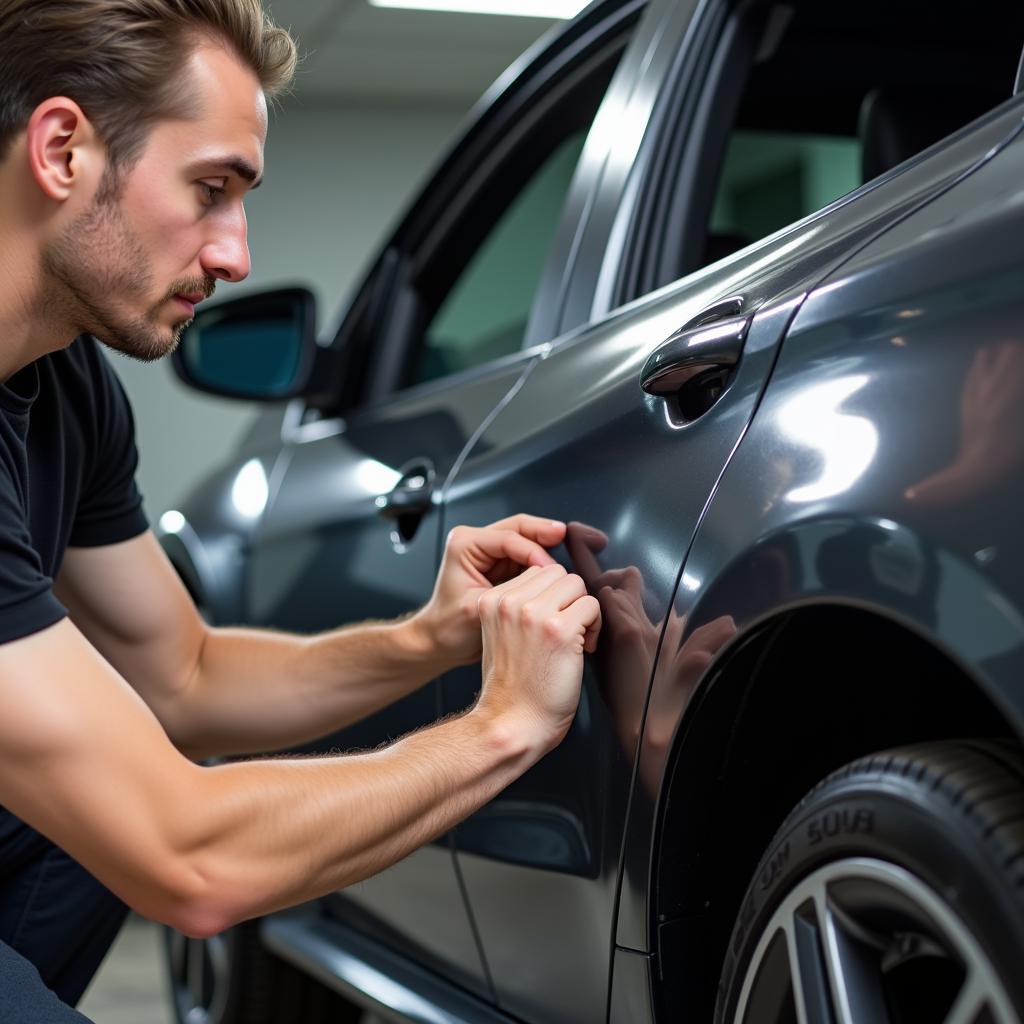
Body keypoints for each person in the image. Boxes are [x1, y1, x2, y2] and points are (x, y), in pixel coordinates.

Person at [0, 1, 602, 1018]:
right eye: (209, 189)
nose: (236, 255)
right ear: (63, 150)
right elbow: (186, 858)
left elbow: (184, 679)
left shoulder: (68, 390)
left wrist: (430, 641)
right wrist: (501, 728)